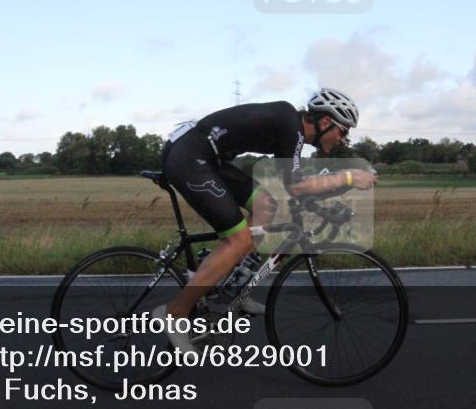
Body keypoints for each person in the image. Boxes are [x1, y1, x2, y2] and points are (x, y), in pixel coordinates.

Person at [153, 88, 377, 353]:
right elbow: (296, 187)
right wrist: (348, 177)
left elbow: (295, 182)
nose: (343, 139)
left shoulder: (290, 131)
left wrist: (336, 187)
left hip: (206, 155)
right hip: (189, 156)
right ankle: (174, 312)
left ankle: (238, 286)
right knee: (238, 239)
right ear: (326, 122)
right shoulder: (289, 125)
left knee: (265, 204)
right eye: (343, 131)